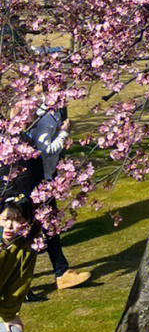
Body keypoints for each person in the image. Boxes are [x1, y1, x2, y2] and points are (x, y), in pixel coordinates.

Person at [25, 107, 89, 292]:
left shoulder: (40, 117)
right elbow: (47, 150)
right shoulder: (33, 127)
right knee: (30, 231)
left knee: (49, 228)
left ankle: (61, 272)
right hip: (34, 185)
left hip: (41, 182)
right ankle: (24, 282)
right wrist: (63, 134)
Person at [0, 200, 47, 332]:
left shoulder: (27, 247)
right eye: (5, 219)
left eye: (17, 220)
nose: (9, 226)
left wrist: (9, 315)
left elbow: (18, 284)